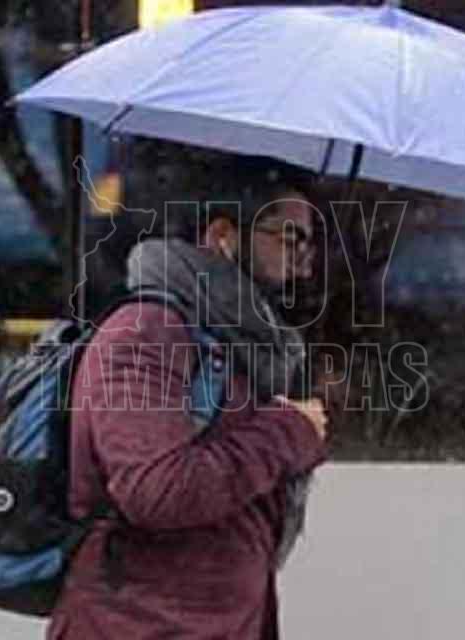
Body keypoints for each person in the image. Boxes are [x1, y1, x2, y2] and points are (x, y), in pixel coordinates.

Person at [49, 157, 329, 640]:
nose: (303, 264)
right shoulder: (146, 331)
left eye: (310, 244)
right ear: (223, 236)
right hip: (136, 627)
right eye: (291, 238)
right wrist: (288, 432)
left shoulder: (234, 345)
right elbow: (157, 490)